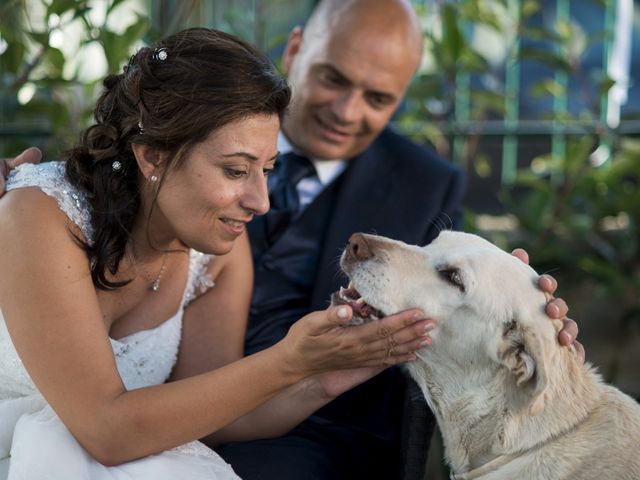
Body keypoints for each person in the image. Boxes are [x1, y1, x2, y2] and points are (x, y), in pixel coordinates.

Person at [0, 27, 436, 480]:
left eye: (266, 170)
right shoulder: (40, 214)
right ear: (152, 156)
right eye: (235, 170)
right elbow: (107, 431)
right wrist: (289, 358)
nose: (260, 201)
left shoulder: (219, 254)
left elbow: (213, 420)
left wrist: (324, 375)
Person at [212, 1, 580, 479]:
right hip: (181, 396)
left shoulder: (427, 185)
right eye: (333, 79)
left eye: (378, 99)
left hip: (327, 435)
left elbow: (462, 299)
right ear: (295, 49)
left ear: (402, 93)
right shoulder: (207, 139)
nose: (347, 112)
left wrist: (526, 317)